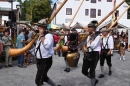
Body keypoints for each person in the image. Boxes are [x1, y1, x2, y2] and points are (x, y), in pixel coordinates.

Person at [29, 19, 60, 86]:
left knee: (38, 81)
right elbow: (38, 47)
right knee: (44, 77)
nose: (37, 28)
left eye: (39, 27)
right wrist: (30, 51)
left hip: (45, 60)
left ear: (43, 28)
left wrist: (42, 36)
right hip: (39, 60)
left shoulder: (48, 36)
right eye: (38, 27)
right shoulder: (40, 36)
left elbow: (47, 46)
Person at [82, 20, 101, 86]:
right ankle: (94, 80)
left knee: (92, 72)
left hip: (94, 54)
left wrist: (91, 38)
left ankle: (93, 82)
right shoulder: (89, 35)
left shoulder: (98, 36)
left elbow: (92, 46)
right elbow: (87, 44)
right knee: (84, 71)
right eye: (88, 27)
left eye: (90, 27)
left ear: (94, 28)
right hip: (88, 53)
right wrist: (84, 48)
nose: (88, 28)